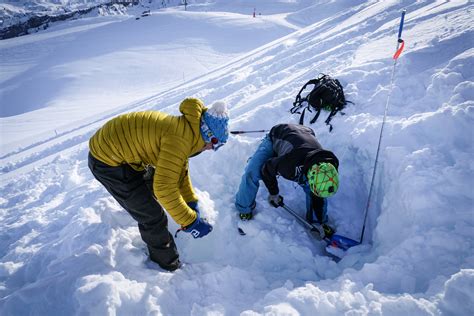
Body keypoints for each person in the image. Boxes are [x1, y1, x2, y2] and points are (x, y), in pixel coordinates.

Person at [88, 98, 229, 271]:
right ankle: (167, 265)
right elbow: (164, 188)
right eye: (214, 145)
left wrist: (190, 201)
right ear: (208, 135)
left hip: (126, 154)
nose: (210, 150)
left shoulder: (186, 130)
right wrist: (190, 222)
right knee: (152, 215)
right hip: (107, 160)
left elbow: (179, 173)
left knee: (154, 186)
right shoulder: (180, 140)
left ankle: (150, 220)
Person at [235, 123, 339, 235]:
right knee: (253, 171)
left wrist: (321, 223)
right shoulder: (290, 166)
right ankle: (244, 208)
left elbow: (318, 195)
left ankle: (317, 221)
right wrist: (274, 193)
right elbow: (267, 169)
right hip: (278, 135)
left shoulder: (329, 165)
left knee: (315, 192)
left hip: (304, 133)